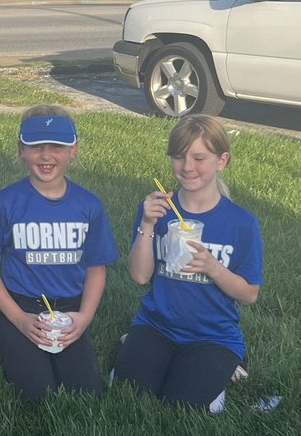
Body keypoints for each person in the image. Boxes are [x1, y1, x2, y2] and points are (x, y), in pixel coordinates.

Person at [112, 116, 262, 411]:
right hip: (157, 325)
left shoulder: (242, 223)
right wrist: (147, 224)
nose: (187, 166)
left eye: (199, 158)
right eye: (179, 156)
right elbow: (140, 276)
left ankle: (220, 369)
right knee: (131, 392)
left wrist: (213, 268)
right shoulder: (158, 210)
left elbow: (249, 294)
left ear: (221, 161)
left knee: (182, 404)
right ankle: (138, 342)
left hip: (212, 336)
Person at [0, 106, 117, 402]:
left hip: (69, 308)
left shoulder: (89, 205)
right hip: (22, 304)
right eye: (36, 146)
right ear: (21, 150)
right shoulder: (5, 203)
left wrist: (84, 318)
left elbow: (96, 268)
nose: (46, 155)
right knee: (36, 393)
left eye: (57, 147)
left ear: (73, 150)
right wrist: (19, 319)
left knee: (87, 391)